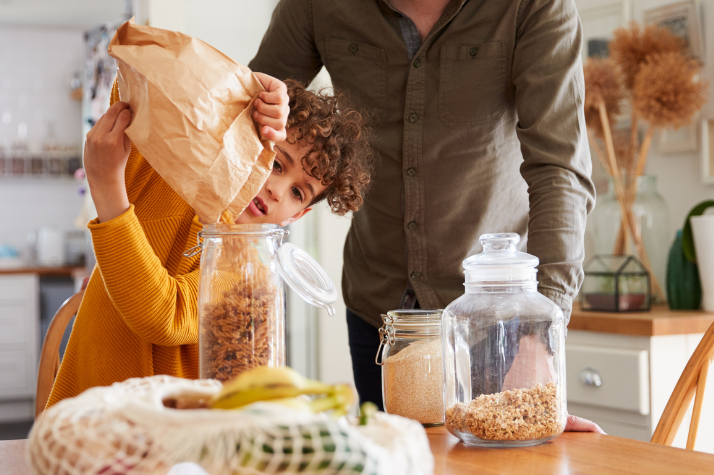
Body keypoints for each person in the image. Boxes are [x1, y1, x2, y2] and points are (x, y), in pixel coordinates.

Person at [250, 0, 604, 433]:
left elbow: (559, 170)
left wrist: (539, 337)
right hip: (378, 308)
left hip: (495, 319)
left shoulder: (534, 7)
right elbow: (245, 113)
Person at [46, 75, 372, 407]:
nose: (277, 189)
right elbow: (135, 79)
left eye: (297, 192)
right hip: (84, 418)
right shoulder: (170, 169)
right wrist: (240, 84)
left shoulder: (248, 272)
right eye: (276, 163)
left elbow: (163, 315)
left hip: (173, 439)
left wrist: (106, 186)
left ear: (296, 216)